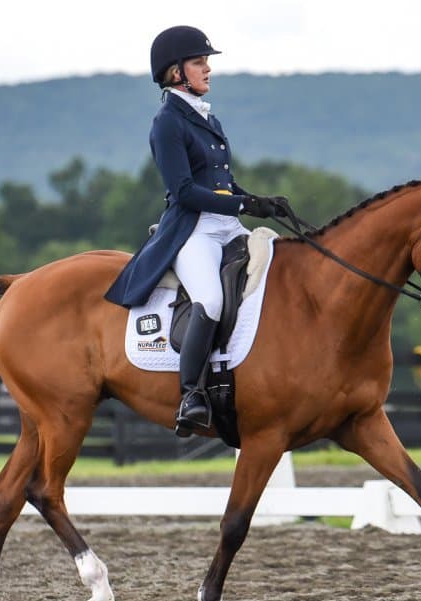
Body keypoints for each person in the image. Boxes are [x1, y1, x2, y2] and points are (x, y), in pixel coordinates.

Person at [105, 25, 288, 436]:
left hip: (226, 225)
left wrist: (259, 202)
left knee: (278, 271)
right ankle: (192, 394)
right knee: (210, 298)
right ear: (176, 73)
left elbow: (220, 184)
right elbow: (186, 192)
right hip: (194, 231)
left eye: (206, 62)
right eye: (199, 62)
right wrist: (242, 204)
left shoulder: (208, 117)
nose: (208, 69)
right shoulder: (167, 123)